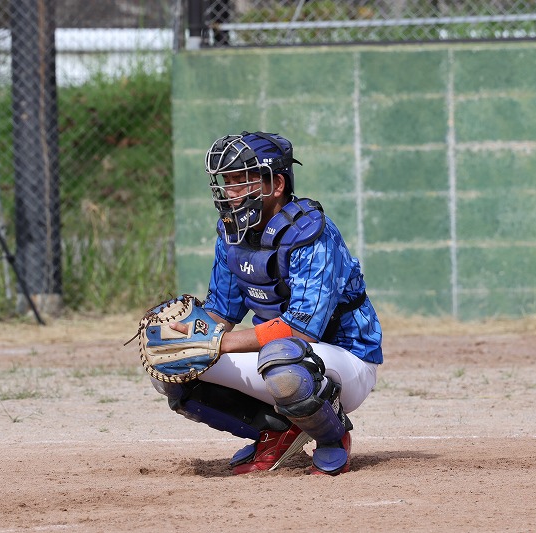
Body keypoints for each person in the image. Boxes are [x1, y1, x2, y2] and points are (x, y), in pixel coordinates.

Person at [151, 131, 383, 475]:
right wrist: (190, 332)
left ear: (276, 184)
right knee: (173, 363)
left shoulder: (311, 233)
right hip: (279, 356)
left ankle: (332, 437)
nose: (230, 192)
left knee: (283, 360)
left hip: (346, 361)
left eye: (240, 182)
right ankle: (274, 433)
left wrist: (219, 343)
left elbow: (301, 331)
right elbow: (221, 312)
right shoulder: (232, 234)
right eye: (226, 182)